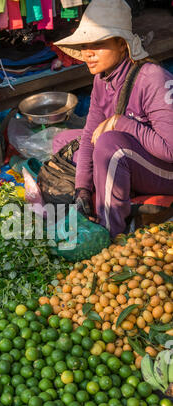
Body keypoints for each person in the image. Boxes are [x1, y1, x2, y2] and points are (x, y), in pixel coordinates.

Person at [53, 0, 173, 239]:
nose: (88, 53)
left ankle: (110, 232)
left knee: (110, 145)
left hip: (164, 172)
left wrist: (123, 123)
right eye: (85, 45)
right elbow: (89, 134)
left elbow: (170, 150)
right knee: (65, 141)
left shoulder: (153, 78)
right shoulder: (102, 79)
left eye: (97, 44)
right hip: (133, 158)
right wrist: (82, 190)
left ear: (121, 44)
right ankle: (97, 195)